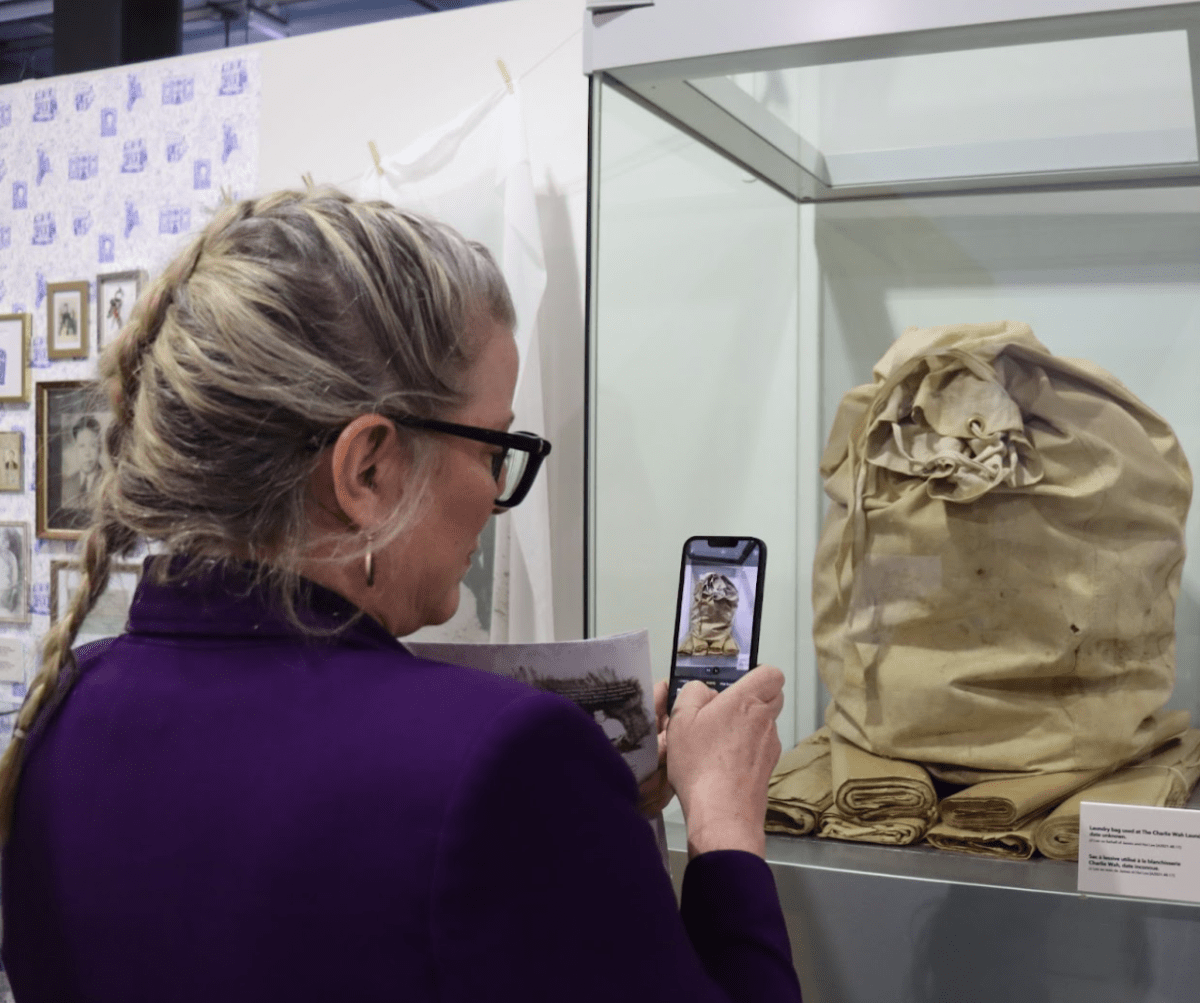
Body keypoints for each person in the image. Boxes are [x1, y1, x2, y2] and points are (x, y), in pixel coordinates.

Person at [0, 189, 800, 1003]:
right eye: (497, 447)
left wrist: (588, 827)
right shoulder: (508, 759)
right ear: (368, 470)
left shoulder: (58, 712)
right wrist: (725, 823)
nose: (495, 494)